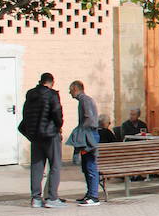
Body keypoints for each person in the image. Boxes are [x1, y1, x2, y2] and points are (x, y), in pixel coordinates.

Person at [18, 72, 64, 208]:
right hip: (50, 135)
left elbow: (25, 114)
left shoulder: (30, 95)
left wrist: (30, 133)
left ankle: (36, 198)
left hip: (35, 136)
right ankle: (52, 198)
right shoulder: (52, 95)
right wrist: (58, 126)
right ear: (51, 82)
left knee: (37, 166)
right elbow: (57, 114)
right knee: (55, 165)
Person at [67, 81, 101, 206]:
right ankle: (90, 194)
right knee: (86, 166)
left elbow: (89, 118)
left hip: (89, 136)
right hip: (89, 135)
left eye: (70, 90)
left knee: (90, 166)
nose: (69, 92)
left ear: (76, 89)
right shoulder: (85, 100)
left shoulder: (84, 100)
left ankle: (94, 196)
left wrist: (80, 131)